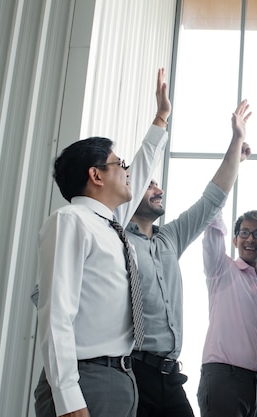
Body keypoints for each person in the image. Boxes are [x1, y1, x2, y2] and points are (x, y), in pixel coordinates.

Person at [34, 68, 171, 417]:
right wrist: (68, 398)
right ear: (95, 175)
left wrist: (160, 119)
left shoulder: (110, 225)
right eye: (118, 164)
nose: (127, 170)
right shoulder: (70, 221)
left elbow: (138, 174)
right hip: (86, 379)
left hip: (121, 376)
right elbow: (56, 315)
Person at [126, 101, 253, 417]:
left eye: (158, 183)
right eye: (150, 184)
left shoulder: (169, 237)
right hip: (133, 371)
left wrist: (236, 142)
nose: (159, 189)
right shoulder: (114, 240)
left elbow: (212, 199)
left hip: (169, 376)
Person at [198, 201, 257, 415]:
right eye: (244, 232)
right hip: (224, 379)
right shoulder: (221, 269)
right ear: (234, 240)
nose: (250, 238)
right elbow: (213, 220)